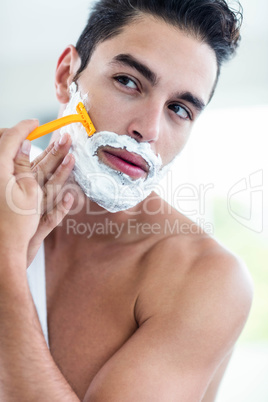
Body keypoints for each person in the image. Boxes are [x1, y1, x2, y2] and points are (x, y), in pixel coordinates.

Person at [0, 0, 253, 400]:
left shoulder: (204, 279)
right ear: (67, 75)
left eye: (179, 109)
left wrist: (4, 264)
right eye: (129, 82)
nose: (148, 129)